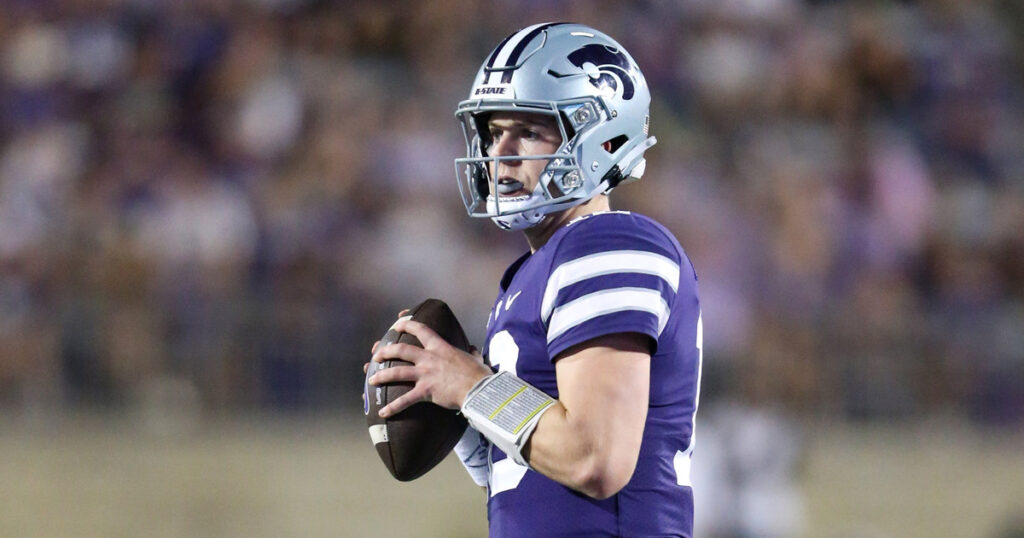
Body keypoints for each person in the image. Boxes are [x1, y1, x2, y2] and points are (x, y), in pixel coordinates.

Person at [367, 22, 703, 537]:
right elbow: (525, 478)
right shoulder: (533, 272)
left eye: (527, 130)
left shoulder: (610, 243)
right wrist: (446, 399)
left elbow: (595, 458)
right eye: (493, 131)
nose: (499, 153)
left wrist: (472, 385)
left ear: (600, 136)